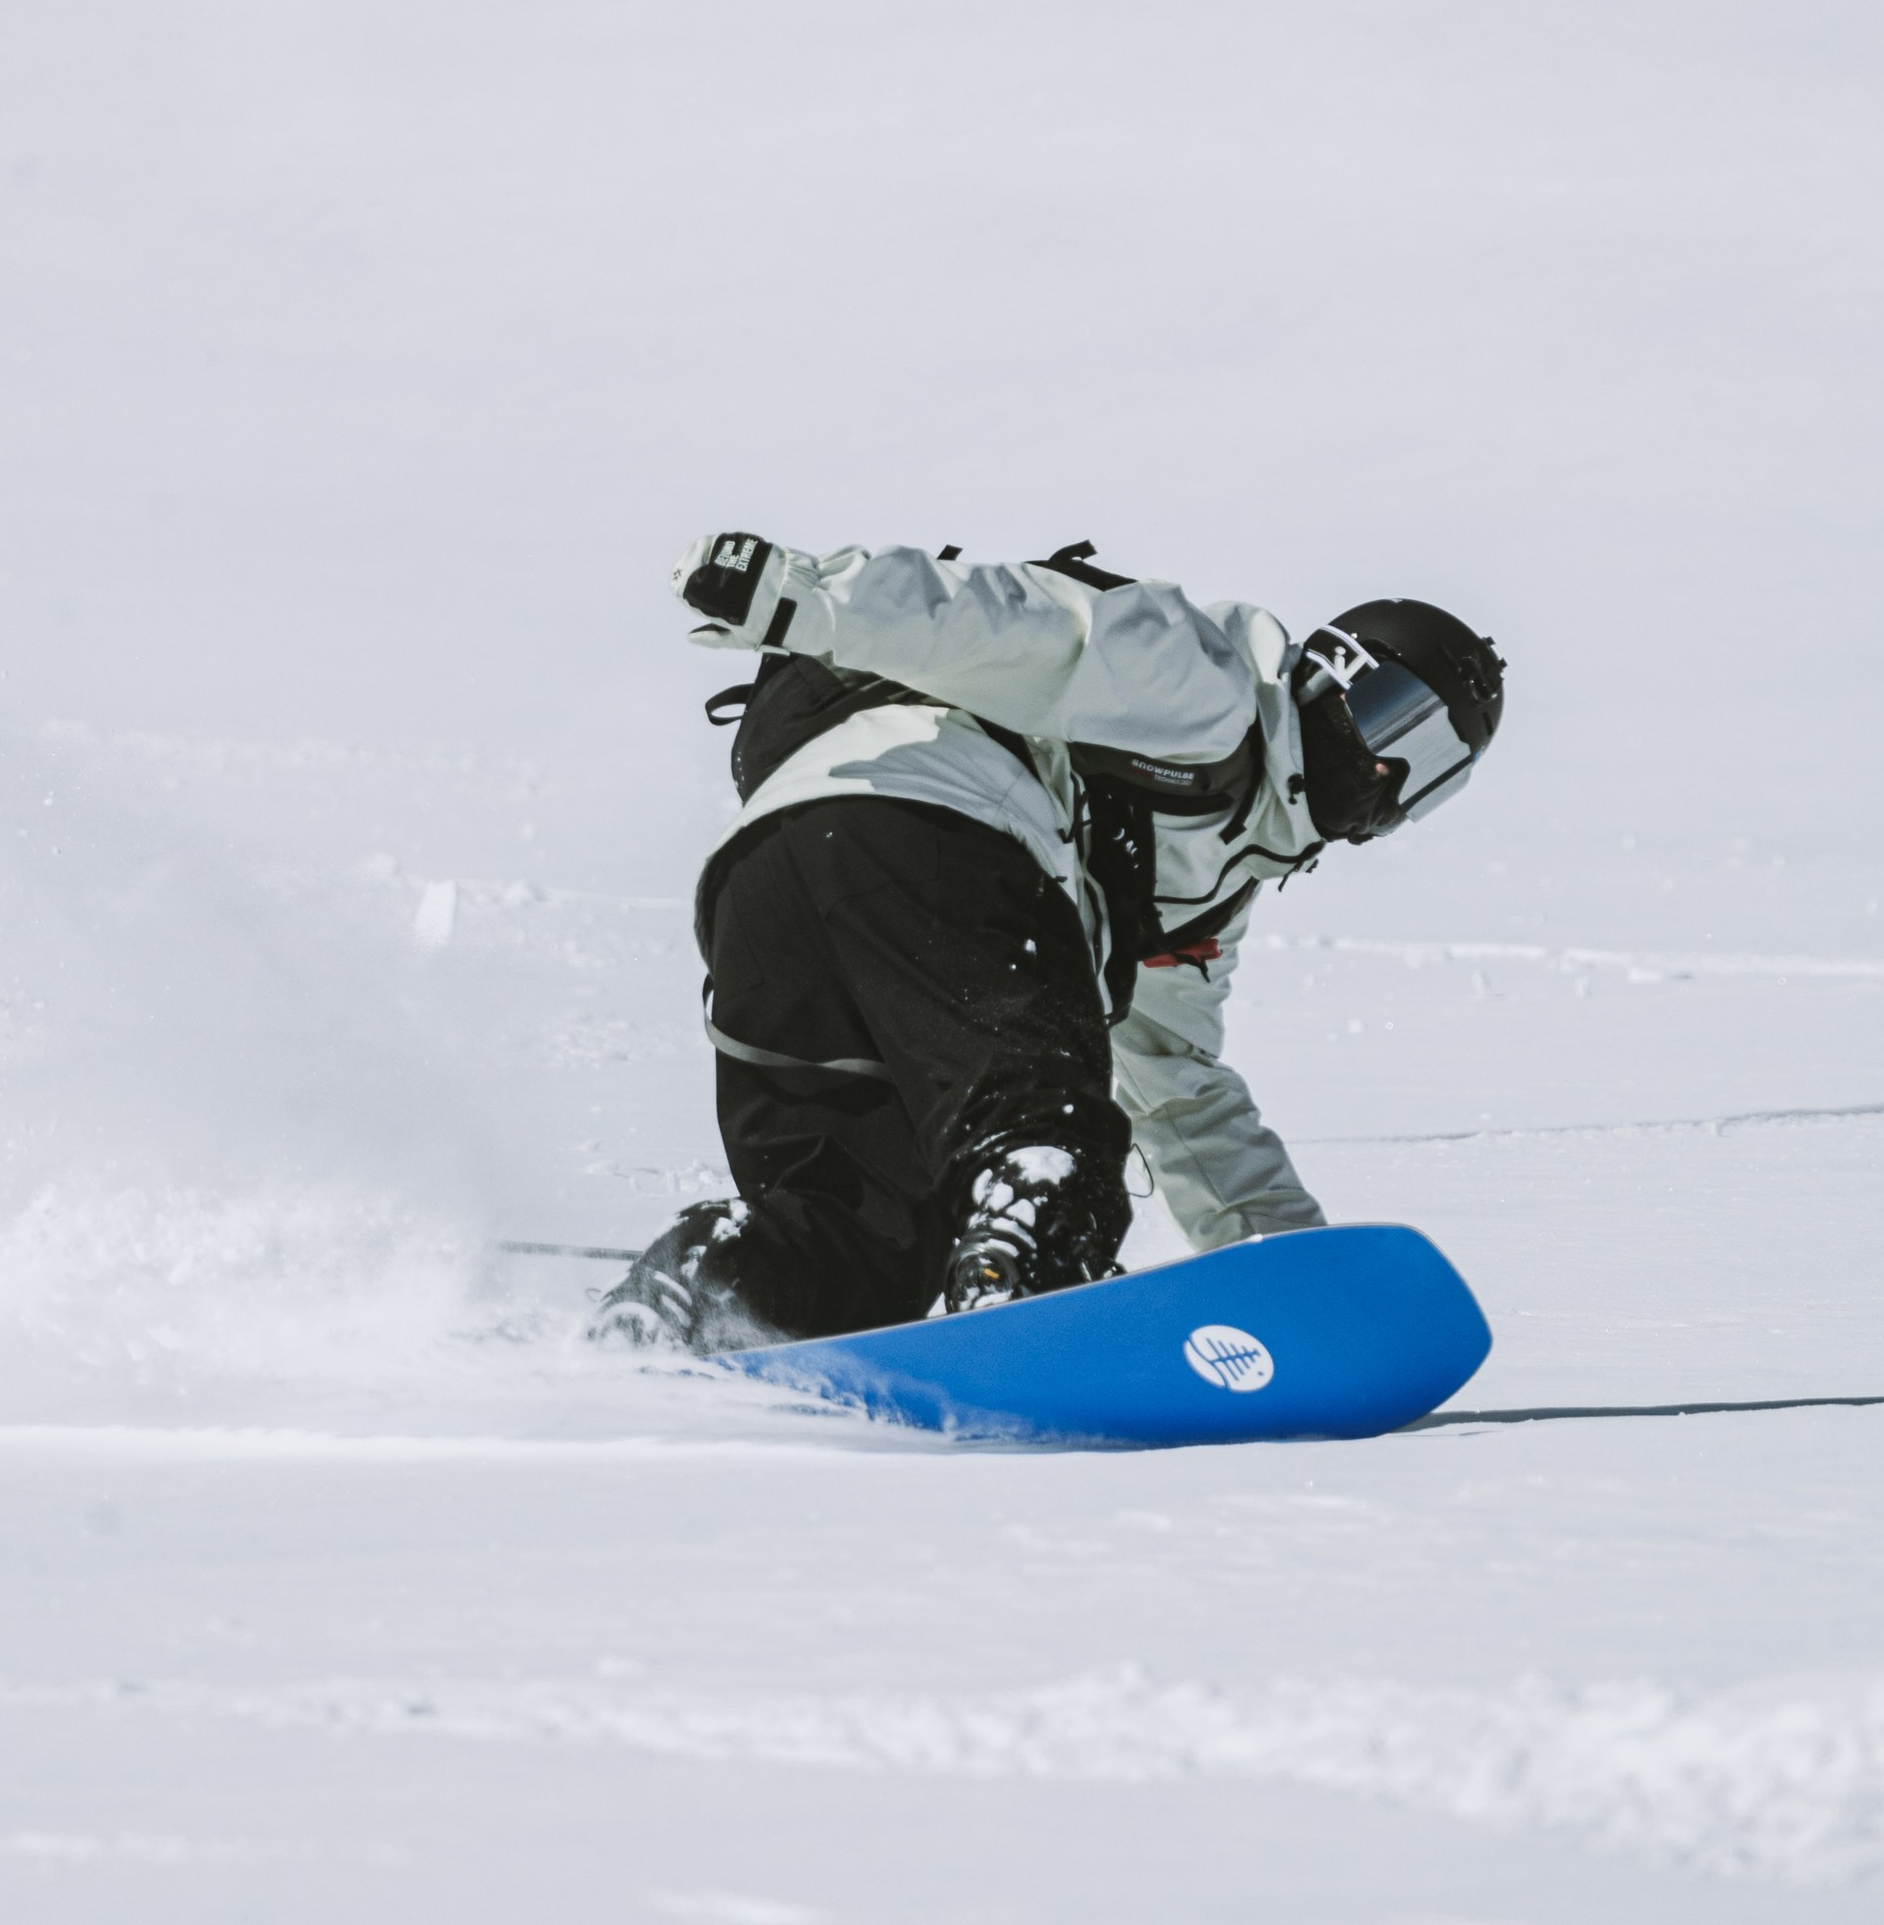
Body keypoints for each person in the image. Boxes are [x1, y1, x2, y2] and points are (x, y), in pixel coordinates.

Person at [598, 535, 1504, 1352]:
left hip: (763, 894)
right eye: (1393, 718)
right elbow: (1010, 627)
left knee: (868, 1244)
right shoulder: (1210, 685)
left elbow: (1182, 1093)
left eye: (1430, 776)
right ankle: (1022, 1281)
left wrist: (1295, 1283)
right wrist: (800, 597)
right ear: (1329, 671)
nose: (1388, 772)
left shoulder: (1198, 905)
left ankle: (707, 1287)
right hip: (924, 824)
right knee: (1047, 1132)